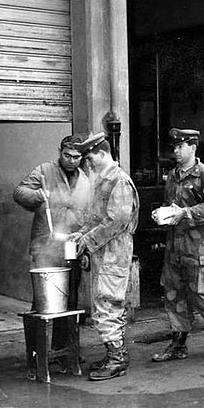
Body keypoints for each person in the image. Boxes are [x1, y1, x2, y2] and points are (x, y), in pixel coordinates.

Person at [151, 128, 204, 363]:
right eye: (174, 147)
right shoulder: (174, 175)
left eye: (180, 147)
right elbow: (172, 205)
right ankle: (178, 344)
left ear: (193, 147)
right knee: (173, 292)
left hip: (201, 246)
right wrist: (164, 214)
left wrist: (185, 213)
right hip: (176, 246)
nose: (176, 151)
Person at [70, 132, 140, 381]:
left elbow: (116, 220)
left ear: (101, 153)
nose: (87, 163)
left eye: (89, 158)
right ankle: (113, 353)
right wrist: (81, 234)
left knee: (109, 303)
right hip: (104, 253)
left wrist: (88, 240)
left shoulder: (118, 180)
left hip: (114, 253)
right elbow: (96, 217)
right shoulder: (103, 179)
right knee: (103, 303)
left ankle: (117, 358)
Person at [13, 135, 90, 268]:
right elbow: (19, 192)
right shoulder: (45, 170)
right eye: (67, 155)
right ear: (59, 152)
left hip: (72, 246)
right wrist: (37, 195)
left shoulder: (85, 180)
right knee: (48, 287)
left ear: (82, 157)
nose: (71, 161)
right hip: (46, 246)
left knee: (72, 287)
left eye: (76, 157)